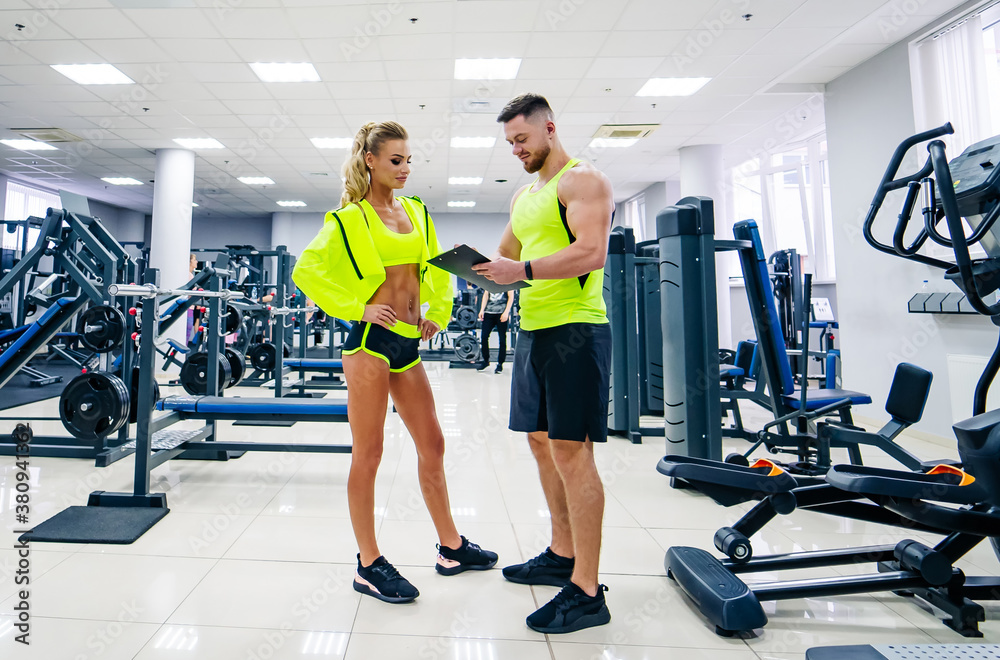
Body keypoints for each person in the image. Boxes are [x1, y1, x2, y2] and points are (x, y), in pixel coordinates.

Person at [293, 120, 498, 604]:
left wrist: (438, 311)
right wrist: (355, 307)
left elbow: (437, 267)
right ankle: (368, 562)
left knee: (434, 443)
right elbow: (307, 270)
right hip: (369, 341)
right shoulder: (348, 219)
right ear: (370, 161)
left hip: (408, 341)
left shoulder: (417, 211)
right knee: (370, 454)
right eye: (395, 160)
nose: (405, 169)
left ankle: (451, 548)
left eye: (408, 160)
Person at [473, 93, 614, 634]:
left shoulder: (583, 181)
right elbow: (501, 260)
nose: (515, 150)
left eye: (522, 140)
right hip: (531, 330)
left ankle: (587, 589)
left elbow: (590, 252)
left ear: (549, 129)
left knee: (571, 451)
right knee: (539, 441)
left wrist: (521, 269)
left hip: (575, 330)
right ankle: (562, 552)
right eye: (510, 143)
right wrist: (462, 269)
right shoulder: (524, 195)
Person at [476, 289, 513, 373]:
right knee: (484, 337)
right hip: (489, 312)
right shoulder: (490, 279)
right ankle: (485, 360)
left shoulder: (507, 281)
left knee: (502, 339)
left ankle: (500, 363)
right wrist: (482, 309)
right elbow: (486, 294)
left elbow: (511, 297)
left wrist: (506, 312)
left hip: (501, 313)